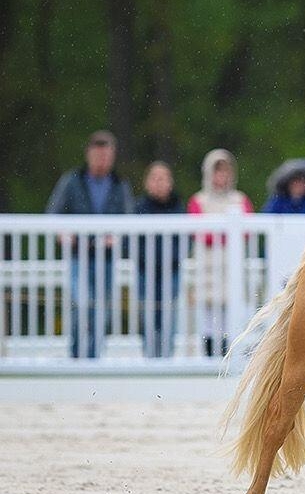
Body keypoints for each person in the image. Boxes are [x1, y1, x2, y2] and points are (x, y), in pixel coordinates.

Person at [45, 130, 134, 359]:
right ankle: (77, 356)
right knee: (81, 305)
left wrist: (116, 237)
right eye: (98, 155)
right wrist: (65, 233)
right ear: (88, 154)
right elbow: (53, 214)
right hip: (78, 256)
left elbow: (129, 220)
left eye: (107, 155)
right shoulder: (72, 180)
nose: (102, 160)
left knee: (101, 310)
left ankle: (95, 357)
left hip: (106, 258)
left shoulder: (119, 184)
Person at [187, 149, 254, 356]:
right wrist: (227, 233)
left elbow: (247, 231)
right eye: (217, 172)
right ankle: (209, 354)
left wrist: (221, 233)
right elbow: (200, 233)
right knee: (208, 312)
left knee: (229, 310)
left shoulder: (239, 199)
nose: (221, 177)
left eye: (225, 172)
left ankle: (228, 353)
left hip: (231, 264)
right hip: (207, 264)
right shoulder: (199, 200)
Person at [135, 161, 185, 357]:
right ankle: (149, 356)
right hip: (145, 270)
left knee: (167, 317)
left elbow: (183, 242)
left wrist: (171, 258)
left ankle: (166, 356)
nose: (158, 183)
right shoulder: (139, 207)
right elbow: (134, 243)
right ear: (147, 182)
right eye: (154, 178)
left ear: (170, 182)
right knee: (147, 317)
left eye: (163, 178)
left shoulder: (178, 207)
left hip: (170, 270)